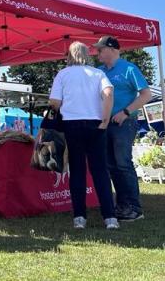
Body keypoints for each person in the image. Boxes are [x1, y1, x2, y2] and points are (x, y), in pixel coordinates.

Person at [49, 41, 118, 230]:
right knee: (100, 170)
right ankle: (110, 217)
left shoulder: (63, 74)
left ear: (70, 55)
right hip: (96, 124)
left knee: (77, 171)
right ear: (87, 54)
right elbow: (109, 93)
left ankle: (79, 217)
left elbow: (54, 102)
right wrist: (105, 120)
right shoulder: (98, 73)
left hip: (72, 125)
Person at [95, 35, 151, 222]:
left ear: (111, 49)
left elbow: (146, 95)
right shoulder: (99, 71)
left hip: (124, 123)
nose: (97, 53)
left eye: (100, 49)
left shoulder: (129, 68)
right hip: (105, 123)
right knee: (111, 165)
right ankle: (122, 205)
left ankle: (134, 208)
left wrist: (125, 112)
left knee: (123, 163)